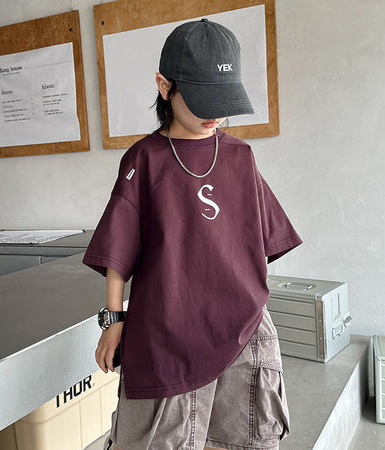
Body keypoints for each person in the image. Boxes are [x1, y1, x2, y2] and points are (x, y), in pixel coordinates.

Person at [83, 18, 302, 450]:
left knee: (246, 440)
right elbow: (118, 250)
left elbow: (259, 241)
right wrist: (113, 320)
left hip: (244, 332)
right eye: (203, 101)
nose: (215, 115)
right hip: (167, 333)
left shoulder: (240, 155)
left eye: (223, 101)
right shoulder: (144, 160)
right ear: (165, 86)